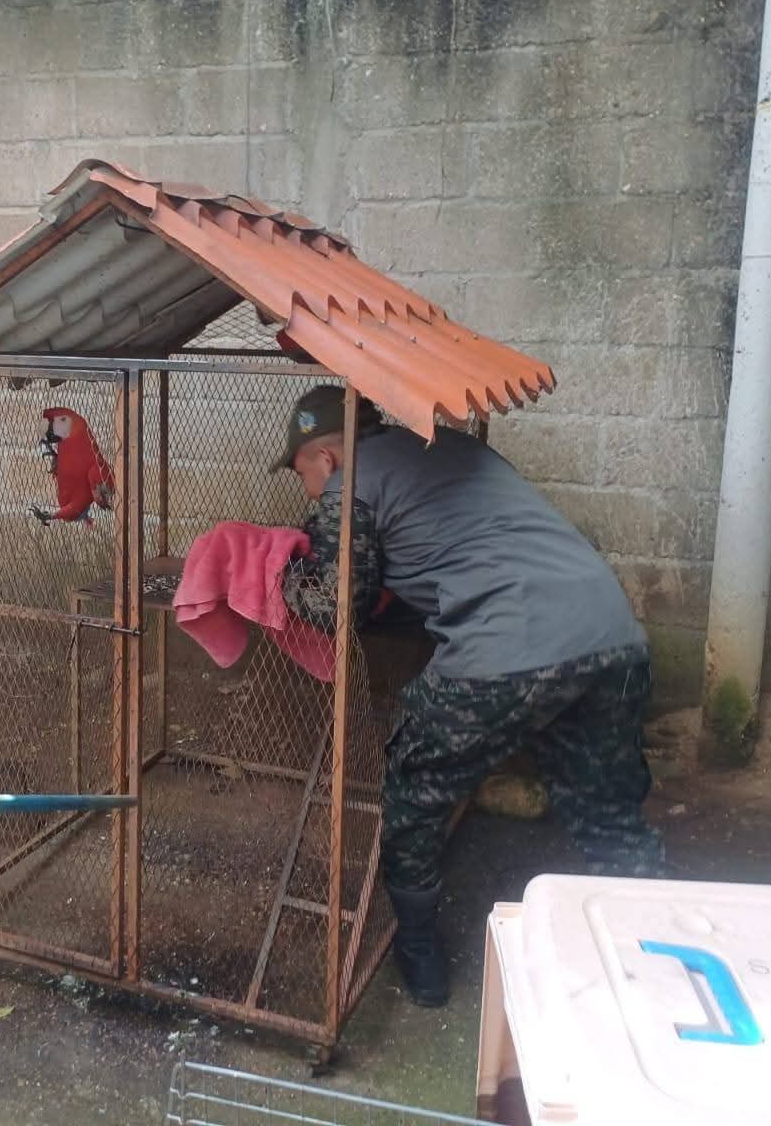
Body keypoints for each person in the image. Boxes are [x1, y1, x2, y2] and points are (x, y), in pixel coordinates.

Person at [275, 385, 664, 1008]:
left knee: (415, 781)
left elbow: (331, 605)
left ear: (323, 458)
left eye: (303, 476)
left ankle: (419, 950)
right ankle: (656, 950)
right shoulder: (446, 444)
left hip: (506, 654)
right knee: (605, 809)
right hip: (611, 638)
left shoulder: (350, 486)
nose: (309, 492)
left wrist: (281, 573)